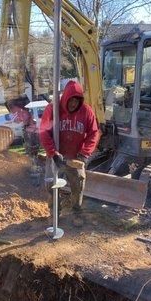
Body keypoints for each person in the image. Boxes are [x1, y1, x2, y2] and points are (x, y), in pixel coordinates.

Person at [39, 80, 100, 215]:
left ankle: (76, 212)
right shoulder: (53, 109)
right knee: (51, 185)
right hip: (55, 156)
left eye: (77, 101)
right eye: (71, 100)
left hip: (75, 157)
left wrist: (84, 154)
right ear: (65, 97)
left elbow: (93, 133)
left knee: (78, 185)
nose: (73, 104)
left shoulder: (86, 111)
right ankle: (55, 213)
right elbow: (44, 131)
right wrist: (53, 152)